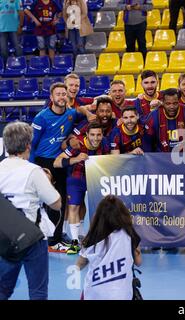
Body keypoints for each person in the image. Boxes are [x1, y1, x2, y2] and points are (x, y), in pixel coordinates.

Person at [0, 121, 61, 300]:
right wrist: (48, 182)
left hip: (6, 236)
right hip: (33, 236)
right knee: (38, 291)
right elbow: (56, 203)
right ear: (28, 145)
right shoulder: (33, 171)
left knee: (3, 289)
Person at [31, 82, 91, 252]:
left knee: (61, 201)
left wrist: (86, 112)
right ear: (51, 98)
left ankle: (56, 237)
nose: (61, 97)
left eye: (64, 94)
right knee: (49, 201)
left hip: (61, 162)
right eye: (58, 94)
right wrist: (34, 167)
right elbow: (32, 144)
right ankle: (50, 241)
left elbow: (82, 111)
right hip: (44, 162)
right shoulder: (41, 117)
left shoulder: (71, 113)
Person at [54, 122, 110, 254]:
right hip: (77, 177)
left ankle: (89, 237)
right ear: (87, 135)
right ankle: (74, 243)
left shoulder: (105, 144)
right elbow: (56, 162)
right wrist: (76, 159)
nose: (95, 138)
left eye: (98, 135)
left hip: (96, 178)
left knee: (98, 207)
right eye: (92, 135)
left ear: (102, 135)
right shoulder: (77, 145)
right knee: (74, 207)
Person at [76, 195, 142, 300]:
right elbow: (138, 262)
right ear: (123, 214)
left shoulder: (93, 237)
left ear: (99, 217)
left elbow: (79, 264)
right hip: (122, 294)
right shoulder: (130, 234)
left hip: (94, 294)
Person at [144, 88, 185, 152]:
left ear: (179, 101)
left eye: (175, 103)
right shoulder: (154, 116)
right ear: (163, 103)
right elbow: (147, 142)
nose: (172, 107)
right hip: (162, 157)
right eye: (168, 103)